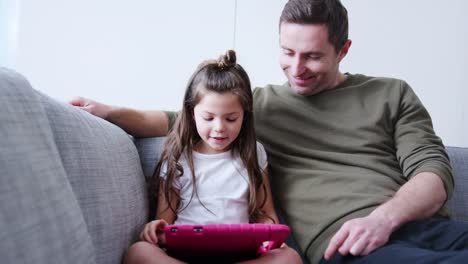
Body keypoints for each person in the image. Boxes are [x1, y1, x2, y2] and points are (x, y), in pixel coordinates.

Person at [70, 0, 468, 263]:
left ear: (343, 50)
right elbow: (179, 118)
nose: (296, 69)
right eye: (287, 52)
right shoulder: (256, 105)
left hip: (426, 228)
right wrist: (106, 110)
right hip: (349, 245)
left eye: (312, 56)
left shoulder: (391, 93)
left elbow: (434, 172)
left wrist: (383, 219)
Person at [114, 50, 300, 264]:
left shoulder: (254, 153)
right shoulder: (178, 156)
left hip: (239, 256)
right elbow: (164, 221)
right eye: (208, 118)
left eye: (231, 119)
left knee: (290, 257)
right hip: (185, 255)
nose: (219, 128)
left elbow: (266, 213)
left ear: (245, 115)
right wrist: (155, 229)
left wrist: (271, 237)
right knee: (138, 252)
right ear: (192, 113)